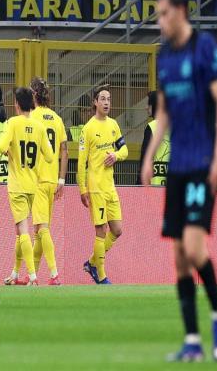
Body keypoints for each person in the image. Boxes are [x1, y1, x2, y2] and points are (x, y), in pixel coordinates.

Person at [141, 0, 217, 362]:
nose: (160, 22)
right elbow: (164, 112)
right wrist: (149, 155)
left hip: (202, 163)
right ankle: (193, 341)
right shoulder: (164, 55)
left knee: (194, 248)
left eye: (164, 14)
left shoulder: (204, 47)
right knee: (179, 255)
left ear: (181, 11)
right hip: (177, 167)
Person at [4, 78, 68, 286]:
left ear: (33, 95)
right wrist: (61, 179)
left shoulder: (31, 117)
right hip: (52, 179)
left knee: (37, 229)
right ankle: (19, 273)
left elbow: (10, 145)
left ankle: (52, 274)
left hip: (36, 179)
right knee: (38, 232)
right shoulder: (57, 119)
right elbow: (63, 150)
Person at [0, 87, 53, 287]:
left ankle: (32, 276)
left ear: (16, 104)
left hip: (17, 186)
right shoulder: (39, 127)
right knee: (19, 231)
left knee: (22, 231)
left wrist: (10, 152)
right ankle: (15, 272)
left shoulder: (13, 123)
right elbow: (49, 156)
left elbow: (1, 147)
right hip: (32, 186)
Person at [79, 84, 128, 285]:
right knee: (100, 230)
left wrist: (115, 155)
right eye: (103, 99)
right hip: (96, 187)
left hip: (110, 187)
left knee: (117, 230)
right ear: (95, 102)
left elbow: (125, 150)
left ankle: (92, 262)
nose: (107, 102)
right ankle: (101, 275)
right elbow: (81, 163)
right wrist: (83, 189)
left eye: (108, 99)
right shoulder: (88, 129)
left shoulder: (114, 125)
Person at [138, 91, 170, 185]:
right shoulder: (176, 126)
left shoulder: (152, 126)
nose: (146, 107)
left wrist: (139, 183)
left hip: (154, 184)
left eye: (149, 104)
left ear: (155, 105)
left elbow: (144, 157)